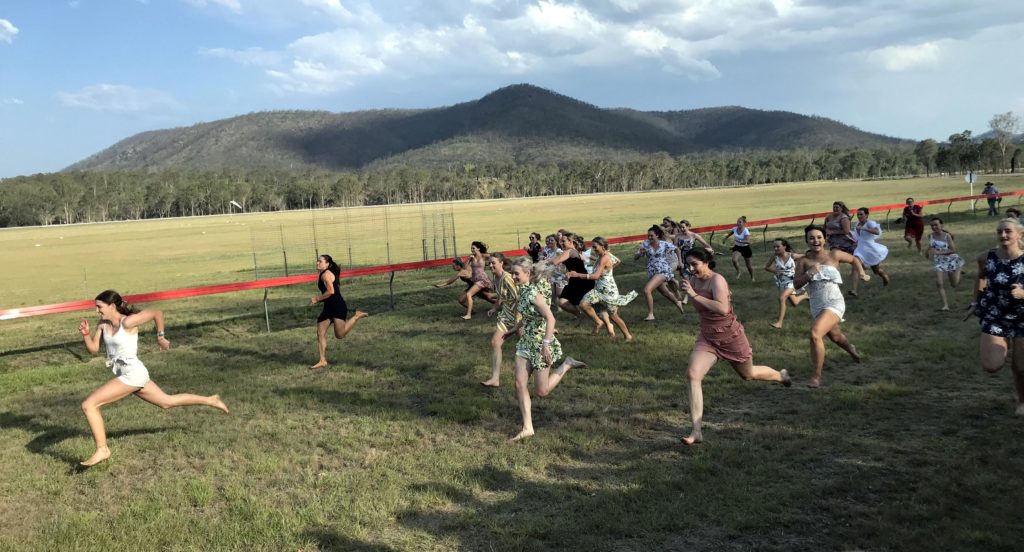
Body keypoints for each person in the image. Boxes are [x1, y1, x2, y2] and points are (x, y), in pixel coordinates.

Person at [77, 290, 229, 467]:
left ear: (111, 306)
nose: (97, 311)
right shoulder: (103, 325)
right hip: (128, 374)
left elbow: (157, 313)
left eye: (99, 307)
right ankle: (211, 400)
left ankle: (102, 449)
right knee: (167, 402)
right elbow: (94, 349)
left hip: (132, 375)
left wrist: (161, 337)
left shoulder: (128, 322)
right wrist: (86, 334)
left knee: (89, 405)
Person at [678, 248, 791, 445]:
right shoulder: (694, 281)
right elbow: (699, 307)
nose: (690, 268)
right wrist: (688, 293)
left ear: (706, 262)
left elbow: (722, 309)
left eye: (694, 264)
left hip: (730, 336)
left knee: (748, 375)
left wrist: (693, 295)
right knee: (692, 375)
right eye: (688, 264)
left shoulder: (717, 280)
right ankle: (696, 431)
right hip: (708, 337)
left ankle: (780, 376)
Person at [503, 257, 586, 441]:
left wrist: (546, 345)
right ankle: (527, 427)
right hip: (525, 345)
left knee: (542, 392)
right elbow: (527, 316)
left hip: (541, 345)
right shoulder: (522, 291)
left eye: (516, 274)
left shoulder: (533, 293)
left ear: (528, 274)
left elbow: (551, 319)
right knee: (519, 384)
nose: (513, 276)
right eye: (512, 273)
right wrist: (512, 331)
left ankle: (567, 365)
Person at [794, 225, 869, 388]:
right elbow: (796, 285)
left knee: (815, 334)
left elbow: (854, 259)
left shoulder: (834, 255)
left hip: (834, 302)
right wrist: (809, 273)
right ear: (806, 241)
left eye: (819, 237)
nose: (816, 240)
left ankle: (816, 377)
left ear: (825, 239)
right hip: (816, 305)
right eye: (812, 238)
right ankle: (852, 350)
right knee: (835, 336)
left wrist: (862, 273)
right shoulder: (804, 261)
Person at [972, 218, 1024, 416]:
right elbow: (981, 278)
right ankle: (1007, 347)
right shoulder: (987, 257)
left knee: (1021, 368)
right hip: (995, 315)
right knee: (991, 365)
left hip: (1022, 318)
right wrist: (976, 301)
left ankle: (1022, 400)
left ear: (1019, 235)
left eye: (1008, 231)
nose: (1003, 235)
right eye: (1000, 231)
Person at [568, 237, 637, 340]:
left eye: (595, 247)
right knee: (584, 304)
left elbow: (595, 276)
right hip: (598, 290)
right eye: (593, 246)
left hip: (608, 291)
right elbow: (618, 261)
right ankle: (598, 322)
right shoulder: (603, 255)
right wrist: (607, 271)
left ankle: (627, 336)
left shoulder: (605, 258)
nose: (593, 249)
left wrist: (578, 275)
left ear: (602, 246)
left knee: (614, 316)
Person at [311, 255, 368, 369]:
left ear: (327, 264)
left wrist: (317, 299)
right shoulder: (326, 272)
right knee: (320, 332)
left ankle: (356, 316)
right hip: (328, 308)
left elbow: (331, 291)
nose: (317, 263)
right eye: (317, 261)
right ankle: (322, 360)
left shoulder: (326, 274)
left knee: (340, 335)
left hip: (337, 307)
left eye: (320, 261)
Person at [481, 253, 519, 388]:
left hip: (518, 315)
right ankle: (495, 379)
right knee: (495, 342)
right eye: (489, 263)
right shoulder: (496, 277)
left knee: (528, 345)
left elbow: (519, 298)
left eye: (493, 263)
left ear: (501, 263)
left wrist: (518, 321)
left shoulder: (507, 278)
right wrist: (494, 308)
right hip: (506, 314)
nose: (490, 265)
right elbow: (502, 296)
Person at [635, 225, 685, 320]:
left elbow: (677, 249)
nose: (649, 238)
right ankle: (677, 302)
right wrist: (640, 253)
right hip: (652, 271)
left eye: (651, 236)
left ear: (657, 235)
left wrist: (680, 262)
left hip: (663, 270)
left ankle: (651, 314)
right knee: (665, 292)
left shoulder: (663, 244)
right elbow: (636, 257)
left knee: (647, 290)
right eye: (648, 236)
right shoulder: (645, 244)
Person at [764, 238, 806, 329]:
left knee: (782, 298)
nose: (775, 249)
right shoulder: (774, 256)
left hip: (792, 281)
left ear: (784, 247)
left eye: (777, 246)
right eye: (774, 247)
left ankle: (779, 323)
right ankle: (805, 295)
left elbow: (806, 256)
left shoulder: (792, 256)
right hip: (782, 281)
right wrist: (776, 271)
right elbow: (766, 267)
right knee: (794, 302)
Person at [551, 232, 594, 319]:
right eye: (560, 241)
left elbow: (556, 261)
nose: (561, 243)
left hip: (581, 281)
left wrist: (542, 263)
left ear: (570, 241)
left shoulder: (569, 251)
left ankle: (591, 319)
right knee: (563, 302)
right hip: (575, 280)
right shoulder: (573, 251)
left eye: (563, 241)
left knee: (565, 302)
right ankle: (581, 316)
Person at [926, 217, 964, 311]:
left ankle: (959, 268)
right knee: (939, 283)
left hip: (950, 260)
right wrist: (927, 251)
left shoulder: (947, 236)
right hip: (938, 262)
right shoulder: (930, 236)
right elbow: (931, 245)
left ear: (941, 225)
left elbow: (953, 250)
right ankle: (945, 305)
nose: (934, 227)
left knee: (954, 284)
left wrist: (939, 253)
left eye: (936, 225)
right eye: (932, 225)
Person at [850, 207, 891, 296]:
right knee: (855, 266)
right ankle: (854, 290)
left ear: (867, 215)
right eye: (858, 214)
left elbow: (877, 232)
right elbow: (857, 237)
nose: (859, 216)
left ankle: (884, 275)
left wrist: (864, 229)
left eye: (861, 214)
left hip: (870, 249)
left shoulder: (870, 223)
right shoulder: (857, 224)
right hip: (860, 249)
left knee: (876, 270)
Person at [459, 241, 496, 320]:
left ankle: (468, 315)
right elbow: (465, 267)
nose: (472, 250)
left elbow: (495, 257)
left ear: (478, 249)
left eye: (473, 248)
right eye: (471, 248)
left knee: (469, 294)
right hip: (475, 280)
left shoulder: (483, 256)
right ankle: (502, 302)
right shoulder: (471, 257)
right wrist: (469, 259)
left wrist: (492, 264)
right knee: (488, 296)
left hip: (482, 280)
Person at [722, 216, 755, 281]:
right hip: (737, 247)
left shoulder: (746, 231)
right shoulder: (735, 228)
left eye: (740, 222)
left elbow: (748, 241)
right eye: (737, 222)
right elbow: (731, 233)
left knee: (749, 266)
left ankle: (752, 277)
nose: (738, 223)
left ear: (744, 223)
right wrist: (726, 238)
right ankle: (739, 272)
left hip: (745, 248)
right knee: (734, 260)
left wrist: (740, 241)